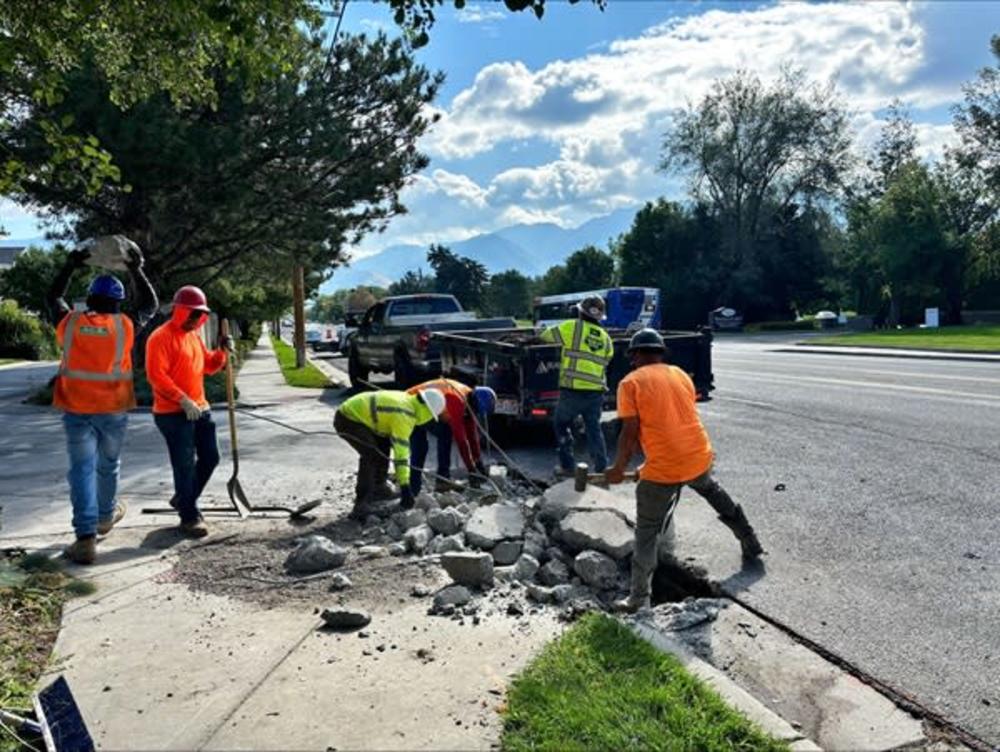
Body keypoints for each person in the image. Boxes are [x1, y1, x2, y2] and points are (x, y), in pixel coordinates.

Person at [606, 328, 764, 612]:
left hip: (666, 467)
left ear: (635, 355)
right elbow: (671, 423)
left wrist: (618, 468)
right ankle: (750, 542)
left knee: (647, 531)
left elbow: (629, 433)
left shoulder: (630, 382)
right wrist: (646, 466)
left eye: (632, 356)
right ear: (660, 352)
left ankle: (638, 599)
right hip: (698, 455)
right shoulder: (680, 374)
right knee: (714, 493)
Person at [46, 240, 158, 564]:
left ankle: (85, 539)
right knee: (108, 465)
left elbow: (52, 297)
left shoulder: (70, 324)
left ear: (90, 299)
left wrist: (70, 265)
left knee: (81, 470)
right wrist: (137, 269)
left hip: (76, 408)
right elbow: (149, 304)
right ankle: (106, 516)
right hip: (113, 409)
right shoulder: (125, 325)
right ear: (119, 303)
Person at [145, 286, 233, 538]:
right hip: (172, 413)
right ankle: (189, 516)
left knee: (211, 457)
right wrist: (182, 400)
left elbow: (207, 365)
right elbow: (156, 376)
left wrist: (221, 352)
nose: (196, 319)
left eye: (200, 314)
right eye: (193, 314)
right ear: (181, 312)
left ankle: (184, 497)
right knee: (183, 464)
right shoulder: (160, 338)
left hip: (200, 408)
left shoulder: (193, 336)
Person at [333, 388, 447, 519]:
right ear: (426, 409)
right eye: (430, 415)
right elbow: (401, 454)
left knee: (383, 445)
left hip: (361, 417)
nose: (429, 420)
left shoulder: (408, 400)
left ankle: (378, 488)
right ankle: (361, 505)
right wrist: (405, 488)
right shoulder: (405, 415)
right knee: (371, 455)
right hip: (348, 418)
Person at [538, 295, 614, 477]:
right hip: (595, 392)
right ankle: (602, 467)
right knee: (593, 428)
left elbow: (545, 336)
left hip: (572, 390)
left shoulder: (572, 327)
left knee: (561, 424)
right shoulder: (606, 338)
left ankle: (567, 466)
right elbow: (607, 359)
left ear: (581, 312)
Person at [406, 379, 497, 495]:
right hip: (410, 404)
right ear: (475, 404)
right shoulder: (456, 399)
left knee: (428, 443)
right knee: (434, 440)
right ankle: (437, 482)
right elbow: (461, 440)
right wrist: (471, 469)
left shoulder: (469, 396)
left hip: (424, 405)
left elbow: (472, 435)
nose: (476, 414)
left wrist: (478, 462)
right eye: (476, 411)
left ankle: (424, 485)